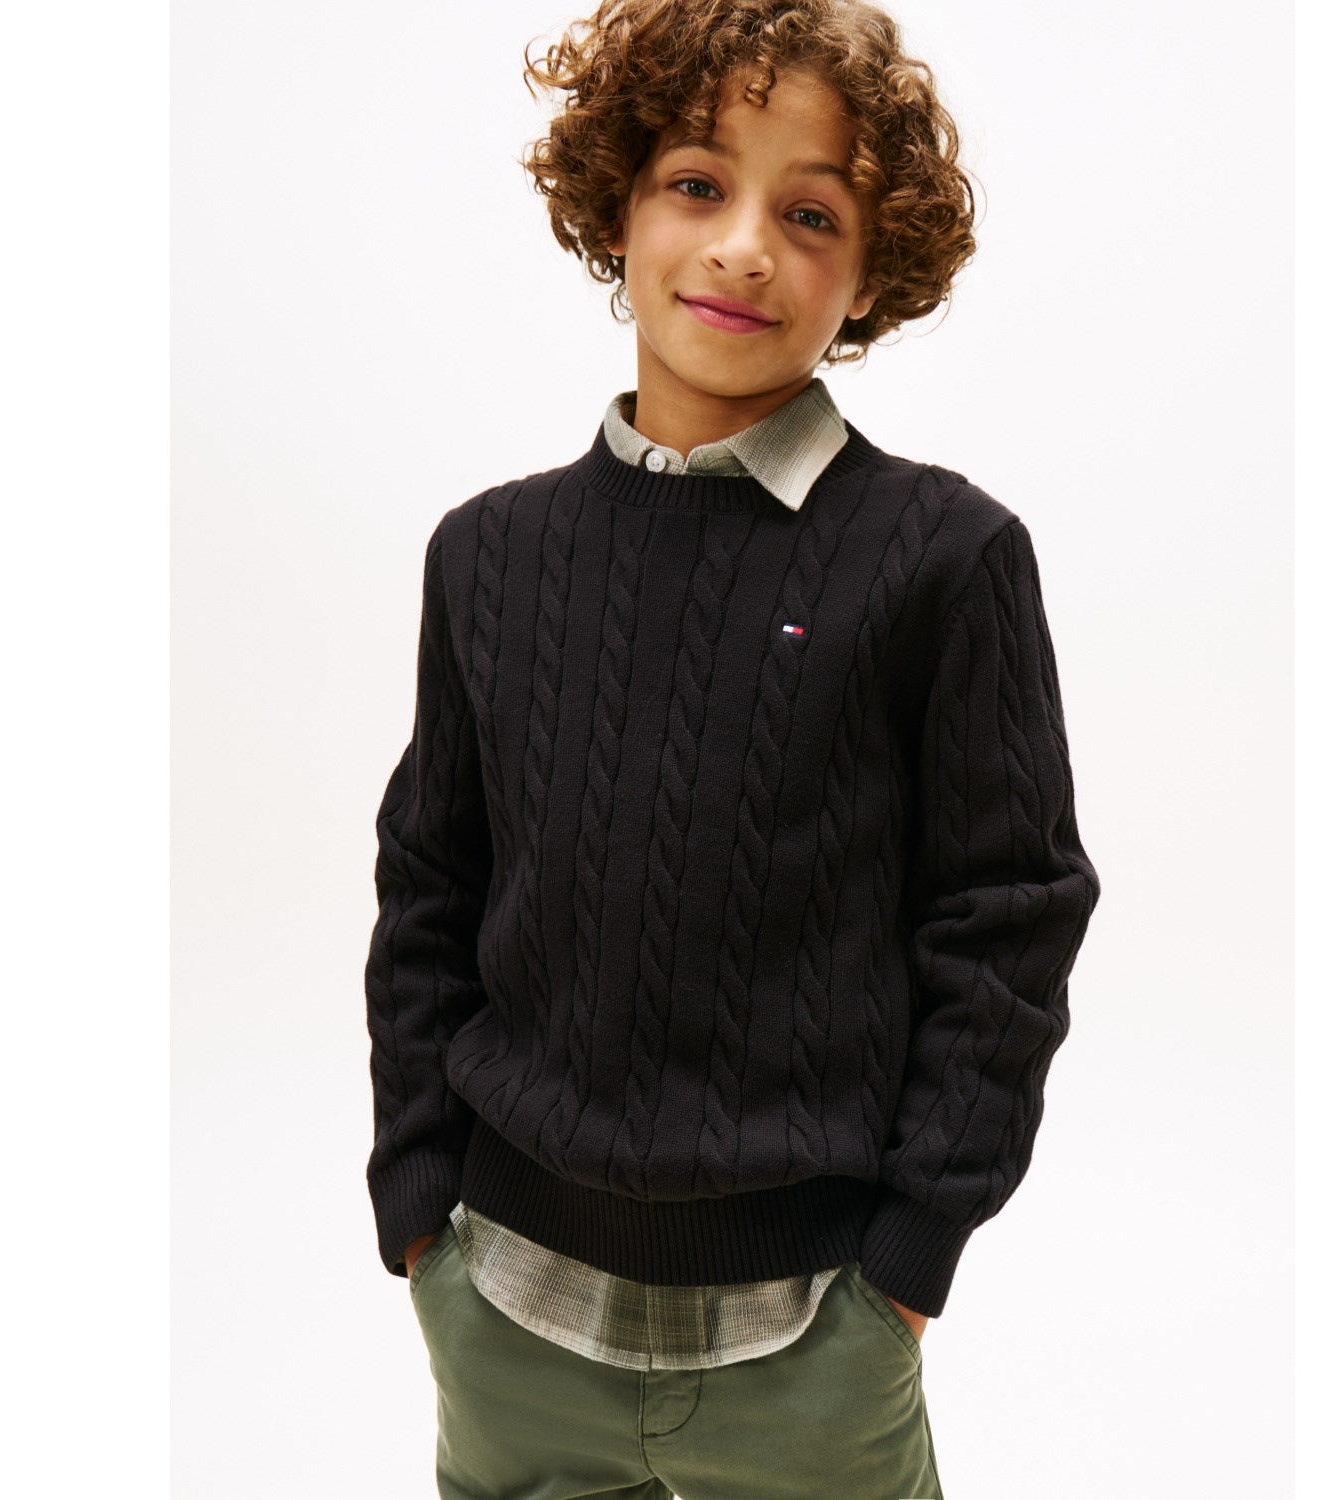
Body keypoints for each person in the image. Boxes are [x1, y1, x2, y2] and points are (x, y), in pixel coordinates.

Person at [363, 2, 1102, 1495]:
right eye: (698, 184)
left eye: (811, 213)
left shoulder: (945, 558)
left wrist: (912, 1254)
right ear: (617, 208)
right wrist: (419, 1202)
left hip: (815, 1332)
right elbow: (431, 884)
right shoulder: (488, 554)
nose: (745, 247)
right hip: (503, 1305)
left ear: (872, 268)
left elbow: (1009, 917)